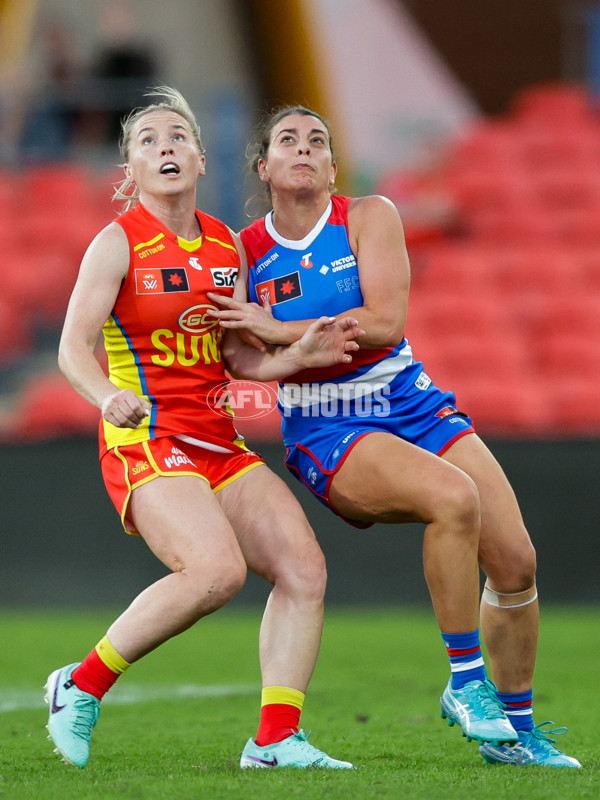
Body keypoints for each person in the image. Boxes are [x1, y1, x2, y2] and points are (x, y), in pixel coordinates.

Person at [207, 105, 582, 768]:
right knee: (454, 498)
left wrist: (279, 326)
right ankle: (466, 684)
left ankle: (517, 737)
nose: (304, 149)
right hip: (326, 421)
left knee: (517, 561)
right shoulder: (241, 250)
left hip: (408, 400)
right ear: (263, 166)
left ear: (331, 166)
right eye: (288, 141)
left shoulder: (369, 215)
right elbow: (238, 354)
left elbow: (381, 322)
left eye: (317, 141)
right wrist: (276, 342)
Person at [46, 87, 364, 771]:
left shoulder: (224, 243)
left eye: (178, 137)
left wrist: (295, 356)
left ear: (199, 157)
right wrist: (106, 398)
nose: (166, 147)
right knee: (215, 572)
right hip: (147, 435)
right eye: (149, 140)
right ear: (128, 171)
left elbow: (238, 357)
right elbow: (72, 349)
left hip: (218, 437)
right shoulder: (116, 242)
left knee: (303, 568)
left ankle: (275, 742)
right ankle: (79, 686)